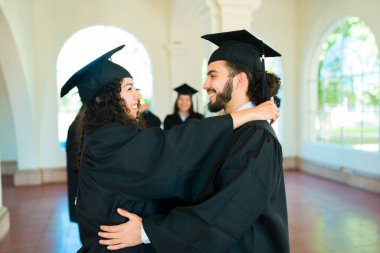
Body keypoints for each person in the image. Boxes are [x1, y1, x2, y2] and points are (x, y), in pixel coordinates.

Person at [59, 44, 279, 253]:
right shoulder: (106, 140)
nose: (205, 84)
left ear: (240, 80)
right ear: (104, 99)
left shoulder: (257, 135)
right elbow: (170, 149)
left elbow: (229, 207)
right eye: (129, 88)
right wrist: (150, 231)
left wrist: (149, 230)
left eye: (212, 75)